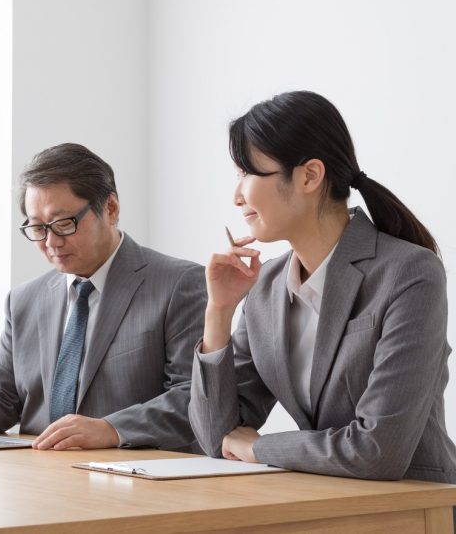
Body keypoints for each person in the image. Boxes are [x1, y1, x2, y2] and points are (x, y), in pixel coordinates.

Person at [190, 90, 456, 486]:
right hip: (318, 503)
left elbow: (379, 451)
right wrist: (219, 313)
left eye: (248, 173)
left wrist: (262, 449)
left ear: (310, 175)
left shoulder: (410, 273)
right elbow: (218, 438)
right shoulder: (265, 289)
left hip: (410, 507)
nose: (237, 196)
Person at [0, 143, 206, 451]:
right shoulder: (24, 300)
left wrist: (112, 429)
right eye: (37, 228)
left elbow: (194, 396)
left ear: (111, 208)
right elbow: (0, 396)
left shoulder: (177, 283)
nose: (51, 242)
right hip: (39, 477)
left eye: (63, 223)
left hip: (134, 481)